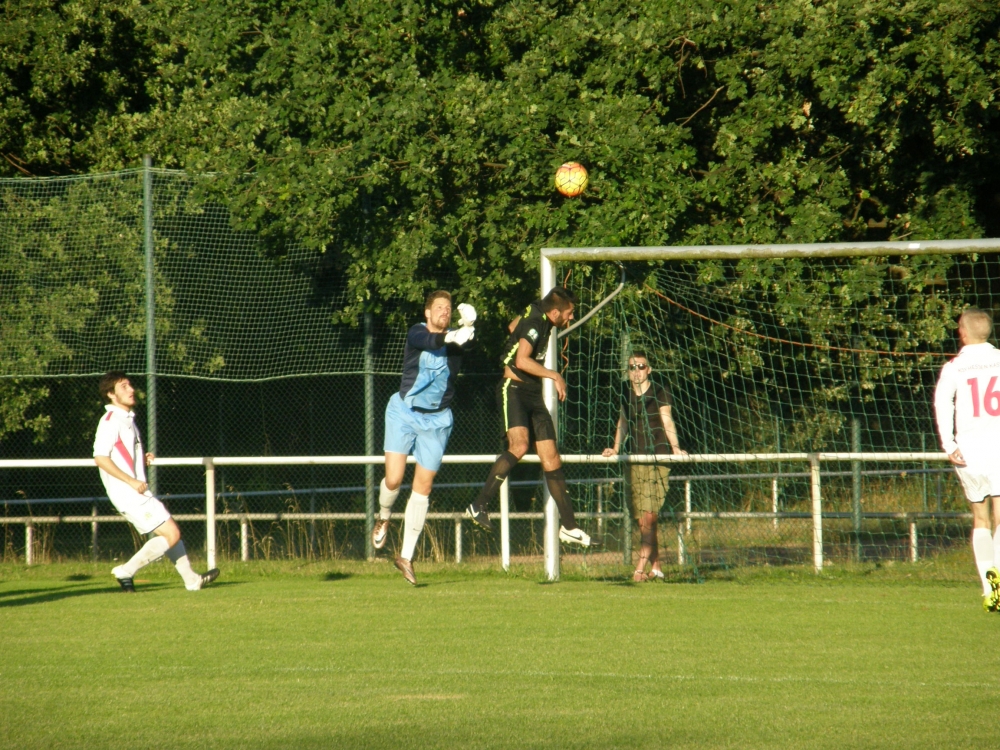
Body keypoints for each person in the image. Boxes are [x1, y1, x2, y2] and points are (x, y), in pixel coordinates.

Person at [465, 286, 591, 547]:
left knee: (551, 457)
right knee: (520, 446)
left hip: (532, 393)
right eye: (569, 314)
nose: (570, 319)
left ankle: (569, 527)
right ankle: (479, 505)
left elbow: (512, 327)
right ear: (555, 311)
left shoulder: (536, 311)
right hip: (513, 390)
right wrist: (554, 374)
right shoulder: (536, 321)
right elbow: (522, 361)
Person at [371, 291, 476, 585]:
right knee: (393, 479)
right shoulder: (418, 332)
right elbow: (428, 341)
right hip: (404, 413)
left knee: (424, 486)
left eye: (449, 308)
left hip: (437, 420)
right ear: (427, 312)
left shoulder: (456, 339)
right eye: (439, 307)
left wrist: (470, 327)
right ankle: (383, 516)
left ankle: (405, 557)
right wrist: (455, 335)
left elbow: (468, 343)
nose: (444, 311)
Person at [93, 371, 219, 592]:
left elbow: (119, 456)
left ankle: (192, 580)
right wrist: (131, 481)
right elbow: (100, 458)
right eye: (124, 387)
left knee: (171, 534)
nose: (131, 390)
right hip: (129, 493)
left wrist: (141, 460)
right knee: (172, 533)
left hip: (135, 492)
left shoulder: (126, 419)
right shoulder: (110, 421)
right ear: (111, 394)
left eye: (130, 385)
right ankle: (126, 571)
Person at [934, 308, 1000, 611]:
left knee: (981, 517)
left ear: (963, 332)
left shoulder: (955, 367)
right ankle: (999, 579)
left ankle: (990, 589)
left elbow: (942, 402)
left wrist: (949, 444)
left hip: (969, 452)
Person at [602, 351, 686, 581]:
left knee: (649, 518)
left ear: (648, 369)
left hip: (656, 458)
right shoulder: (625, 392)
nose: (637, 371)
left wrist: (676, 448)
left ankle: (639, 568)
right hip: (634, 459)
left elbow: (667, 419)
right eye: (632, 367)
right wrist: (616, 448)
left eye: (641, 366)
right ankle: (657, 568)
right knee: (642, 521)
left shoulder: (659, 390)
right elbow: (623, 421)